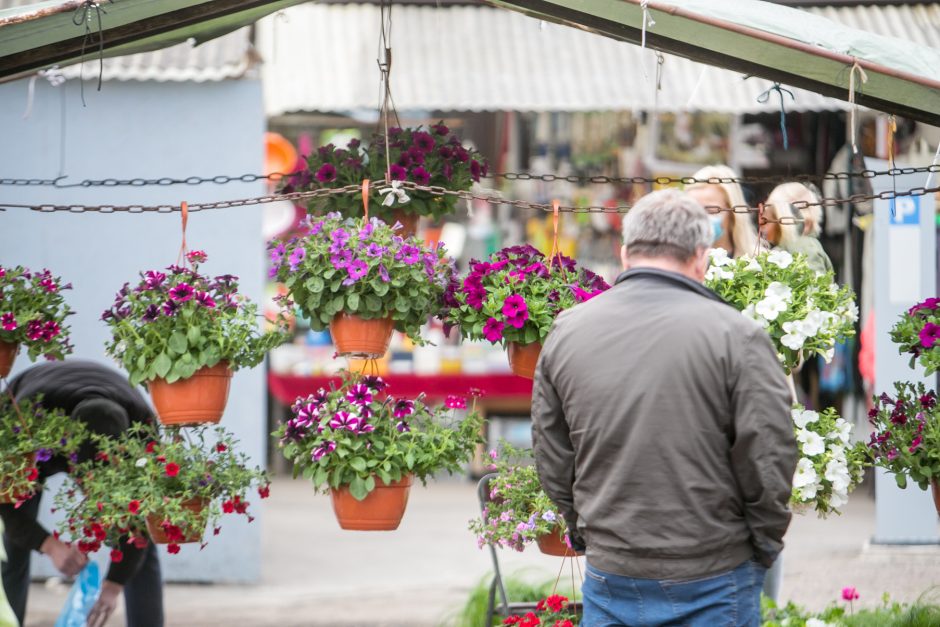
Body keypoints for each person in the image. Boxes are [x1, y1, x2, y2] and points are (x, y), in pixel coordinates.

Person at [531, 189, 797, 626]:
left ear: (624, 254)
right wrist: (762, 544)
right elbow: (770, 456)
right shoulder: (738, 335)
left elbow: (552, 452)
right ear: (701, 256)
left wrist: (586, 529)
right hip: (714, 572)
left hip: (613, 572)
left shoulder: (568, 330)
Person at [0, 360, 164, 627]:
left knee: (141, 532)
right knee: (16, 531)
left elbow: (144, 515)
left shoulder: (142, 430)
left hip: (106, 402)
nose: (89, 492)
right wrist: (49, 545)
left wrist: (114, 584)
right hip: (37, 426)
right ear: (73, 458)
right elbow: (4, 503)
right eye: (88, 480)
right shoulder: (24, 420)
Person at [686, 164, 760, 258]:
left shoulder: (757, 260)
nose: (699, 219)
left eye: (711, 211)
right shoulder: (675, 262)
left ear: (732, 213)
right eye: (692, 211)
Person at [763, 182, 833, 275]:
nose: (763, 227)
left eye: (769, 220)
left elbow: (813, 286)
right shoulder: (792, 247)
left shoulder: (803, 246)